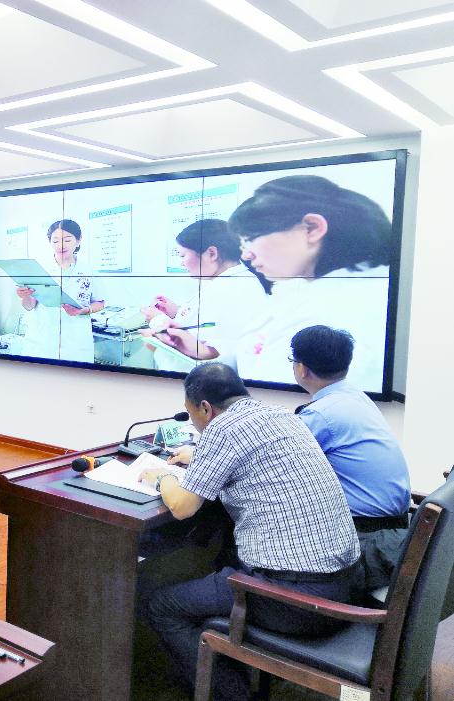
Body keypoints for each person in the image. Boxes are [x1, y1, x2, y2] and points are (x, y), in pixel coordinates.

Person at [139, 362, 360, 700]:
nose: (195, 423)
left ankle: (232, 694)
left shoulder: (223, 428)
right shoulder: (281, 416)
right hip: (346, 584)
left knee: (163, 605)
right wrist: (199, 456)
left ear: (205, 408)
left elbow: (182, 507)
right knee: (220, 558)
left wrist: (164, 477)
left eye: (192, 413)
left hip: (295, 600)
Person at [229, 175, 393, 387]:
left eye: (250, 239)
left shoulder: (333, 306)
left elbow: (274, 385)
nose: (246, 255)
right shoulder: (355, 289)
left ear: (312, 228)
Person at [290, 325, 411, 590]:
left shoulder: (320, 415)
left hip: (365, 542)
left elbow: (271, 466)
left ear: (302, 369)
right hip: (397, 536)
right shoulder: (355, 397)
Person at [139, 219, 267, 370]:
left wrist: (158, 324)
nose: (182, 263)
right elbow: (212, 331)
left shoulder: (229, 289)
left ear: (212, 253)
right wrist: (177, 313)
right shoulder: (234, 282)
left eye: (183, 255)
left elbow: (213, 358)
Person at [16, 219, 104, 363]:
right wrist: (24, 296)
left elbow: (100, 303)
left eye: (67, 240)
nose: (61, 245)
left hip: (76, 341)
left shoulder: (89, 269)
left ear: (78, 240)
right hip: (42, 340)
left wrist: (84, 310)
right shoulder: (40, 269)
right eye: (55, 241)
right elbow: (29, 306)